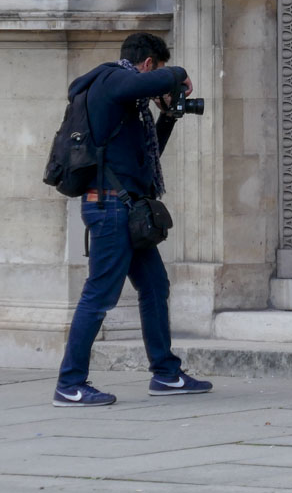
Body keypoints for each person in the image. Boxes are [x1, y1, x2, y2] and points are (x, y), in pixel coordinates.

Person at [53, 32, 213, 407]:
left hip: (127, 208)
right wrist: (179, 74)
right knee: (99, 295)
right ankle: (69, 384)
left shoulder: (126, 103)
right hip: (110, 209)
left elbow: (143, 160)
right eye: (157, 72)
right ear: (148, 65)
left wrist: (168, 116)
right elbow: (147, 82)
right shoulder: (110, 80)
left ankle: (166, 374)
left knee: (155, 286)